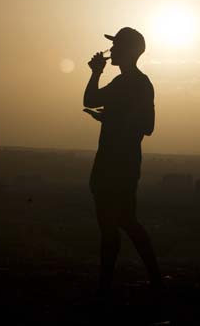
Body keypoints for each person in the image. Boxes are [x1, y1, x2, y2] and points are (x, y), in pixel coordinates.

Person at [83, 27, 162, 297]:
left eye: (116, 46)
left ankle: (107, 287)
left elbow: (89, 99)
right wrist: (113, 117)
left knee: (114, 224)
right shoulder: (138, 83)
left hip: (112, 165)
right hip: (125, 164)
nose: (112, 50)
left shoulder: (129, 83)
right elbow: (146, 125)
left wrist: (95, 72)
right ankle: (153, 279)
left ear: (128, 51)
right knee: (125, 221)